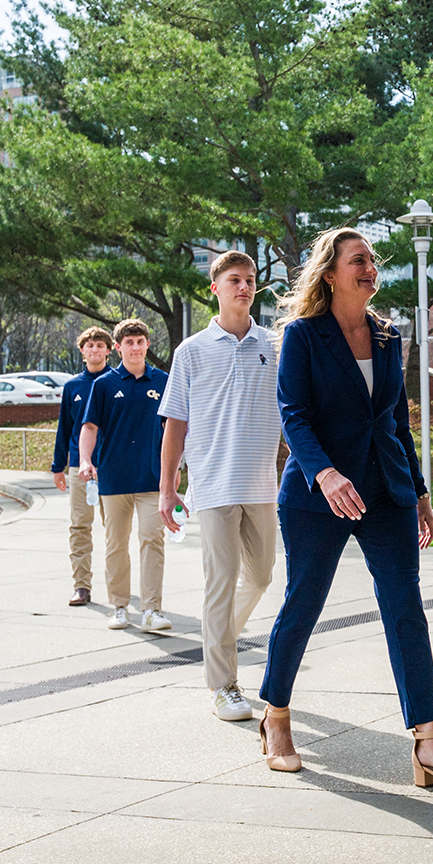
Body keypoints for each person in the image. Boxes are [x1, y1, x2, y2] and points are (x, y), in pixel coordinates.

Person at [257, 226, 433, 793]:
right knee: (304, 603)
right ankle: (275, 717)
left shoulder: (387, 335)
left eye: (372, 260)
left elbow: (397, 420)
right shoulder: (303, 335)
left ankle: (429, 743)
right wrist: (325, 473)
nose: (370, 268)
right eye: (358, 260)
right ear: (330, 273)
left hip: (385, 493)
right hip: (318, 496)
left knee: (406, 608)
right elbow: (293, 414)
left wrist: (420, 492)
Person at [158, 251, 281, 722]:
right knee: (221, 582)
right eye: (234, 280)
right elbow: (175, 423)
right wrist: (167, 488)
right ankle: (223, 684)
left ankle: (219, 638)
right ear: (215, 288)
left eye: (250, 280)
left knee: (262, 576)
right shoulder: (191, 351)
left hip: (261, 484)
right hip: (212, 484)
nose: (244, 287)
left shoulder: (275, 345)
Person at [77, 320, 171, 633]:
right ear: (118, 347)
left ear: (147, 345)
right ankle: (119, 607)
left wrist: (176, 469)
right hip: (114, 479)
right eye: (129, 342)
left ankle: (152, 609)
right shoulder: (104, 384)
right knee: (116, 544)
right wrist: (85, 460)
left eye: (140, 341)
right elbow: (90, 427)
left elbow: (174, 428)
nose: (135, 347)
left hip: (152, 478)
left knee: (152, 540)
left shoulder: (163, 381)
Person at [51, 327, 114, 606]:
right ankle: (81, 585)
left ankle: (117, 584)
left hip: (111, 466)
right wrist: (59, 466)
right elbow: (64, 428)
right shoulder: (72, 387)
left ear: (109, 350)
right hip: (80, 468)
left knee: (115, 529)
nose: (95, 350)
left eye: (100, 345)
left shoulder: (117, 381)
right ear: (82, 351)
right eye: (90, 345)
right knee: (79, 526)